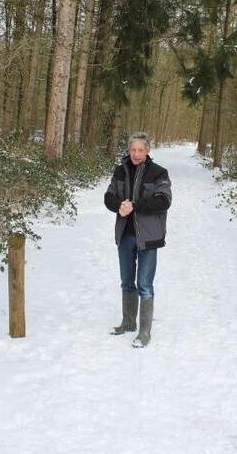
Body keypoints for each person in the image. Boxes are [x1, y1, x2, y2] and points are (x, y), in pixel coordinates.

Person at [103, 132, 172, 348]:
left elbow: (164, 201)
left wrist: (136, 206)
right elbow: (108, 196)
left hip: (149, 238)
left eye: (140, 150)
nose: (136, 154)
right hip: (125, 235)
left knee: (145, 285)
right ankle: (128, 322)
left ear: (147, 151)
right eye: (133, 150)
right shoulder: (120, 170)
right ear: (129, 150)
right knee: (126, 282)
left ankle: (144, 332)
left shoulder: (159, 173)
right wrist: (119, 206)